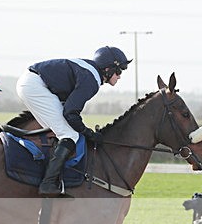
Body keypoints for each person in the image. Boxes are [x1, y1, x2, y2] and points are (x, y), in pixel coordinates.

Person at [15, 46, 131, 197]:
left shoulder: (90, 72)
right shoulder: (92, 79)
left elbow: (69, 109)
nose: (120, 76)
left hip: (33, 83)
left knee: (62, 133)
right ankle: (47, 184)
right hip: (35, 86)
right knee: (69, 135)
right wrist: (87, 132)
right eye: (119, 71)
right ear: (108, 69)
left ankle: (53, 178)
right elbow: (70, 112)